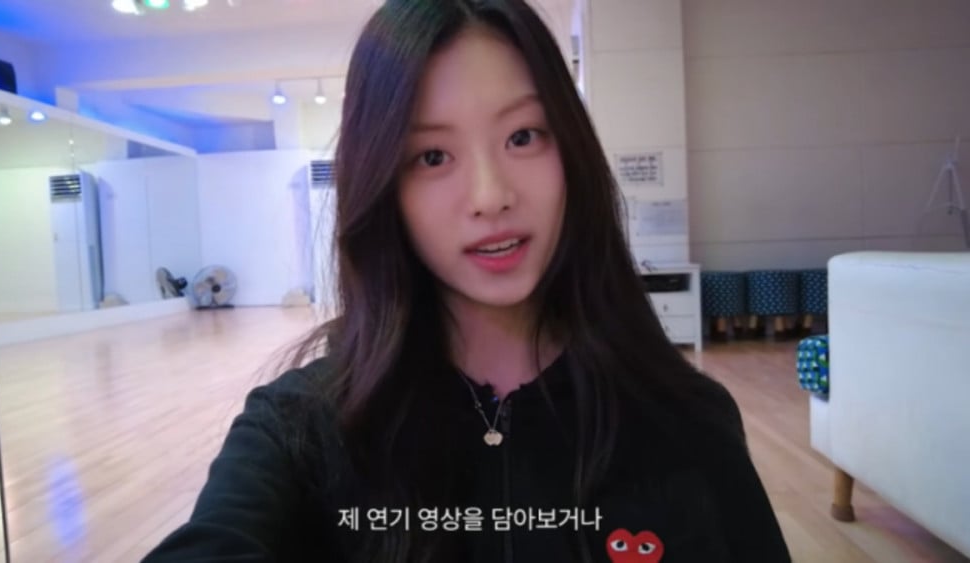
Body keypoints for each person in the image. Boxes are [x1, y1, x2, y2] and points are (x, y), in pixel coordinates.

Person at [143, 0, 791, 561]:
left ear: (571, 150)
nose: (489, 196)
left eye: (523, 136)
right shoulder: (298, 429)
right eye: (432, 156)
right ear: (383, 186)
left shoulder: (686, 419)